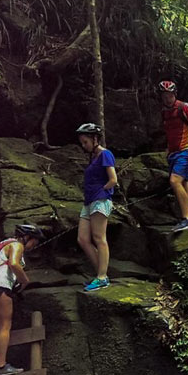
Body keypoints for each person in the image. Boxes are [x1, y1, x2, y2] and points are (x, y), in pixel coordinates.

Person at [0, 224, 44, 375]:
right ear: (27, 237)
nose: (34, 246)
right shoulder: (16, 244)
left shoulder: (1, 246)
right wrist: (25, 281)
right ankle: (1, 366)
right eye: (34, 242)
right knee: (4, 326)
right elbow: (13, 264)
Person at [76, 123, 117, 292]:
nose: (83, 146)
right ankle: (100, 273)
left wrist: (103, 191)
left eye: (85, 142)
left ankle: (102, 277)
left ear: (95, 139)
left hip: (100, 200)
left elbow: (113, 179)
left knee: (99, 237)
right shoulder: (93, 157)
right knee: (83, 239)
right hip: (89, 202)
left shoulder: (105, 154)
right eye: (82, 142)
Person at [159, 80, 188, 231]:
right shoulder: (165, 112)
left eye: (170, 95)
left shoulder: (184, 107)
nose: (167, 98)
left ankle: (185, 219)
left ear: (175, 94)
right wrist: (168, 149)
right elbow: (170, 132)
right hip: (173, 153)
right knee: (185, 186)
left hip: (186, 151)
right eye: (164, 95)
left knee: (174, 181)